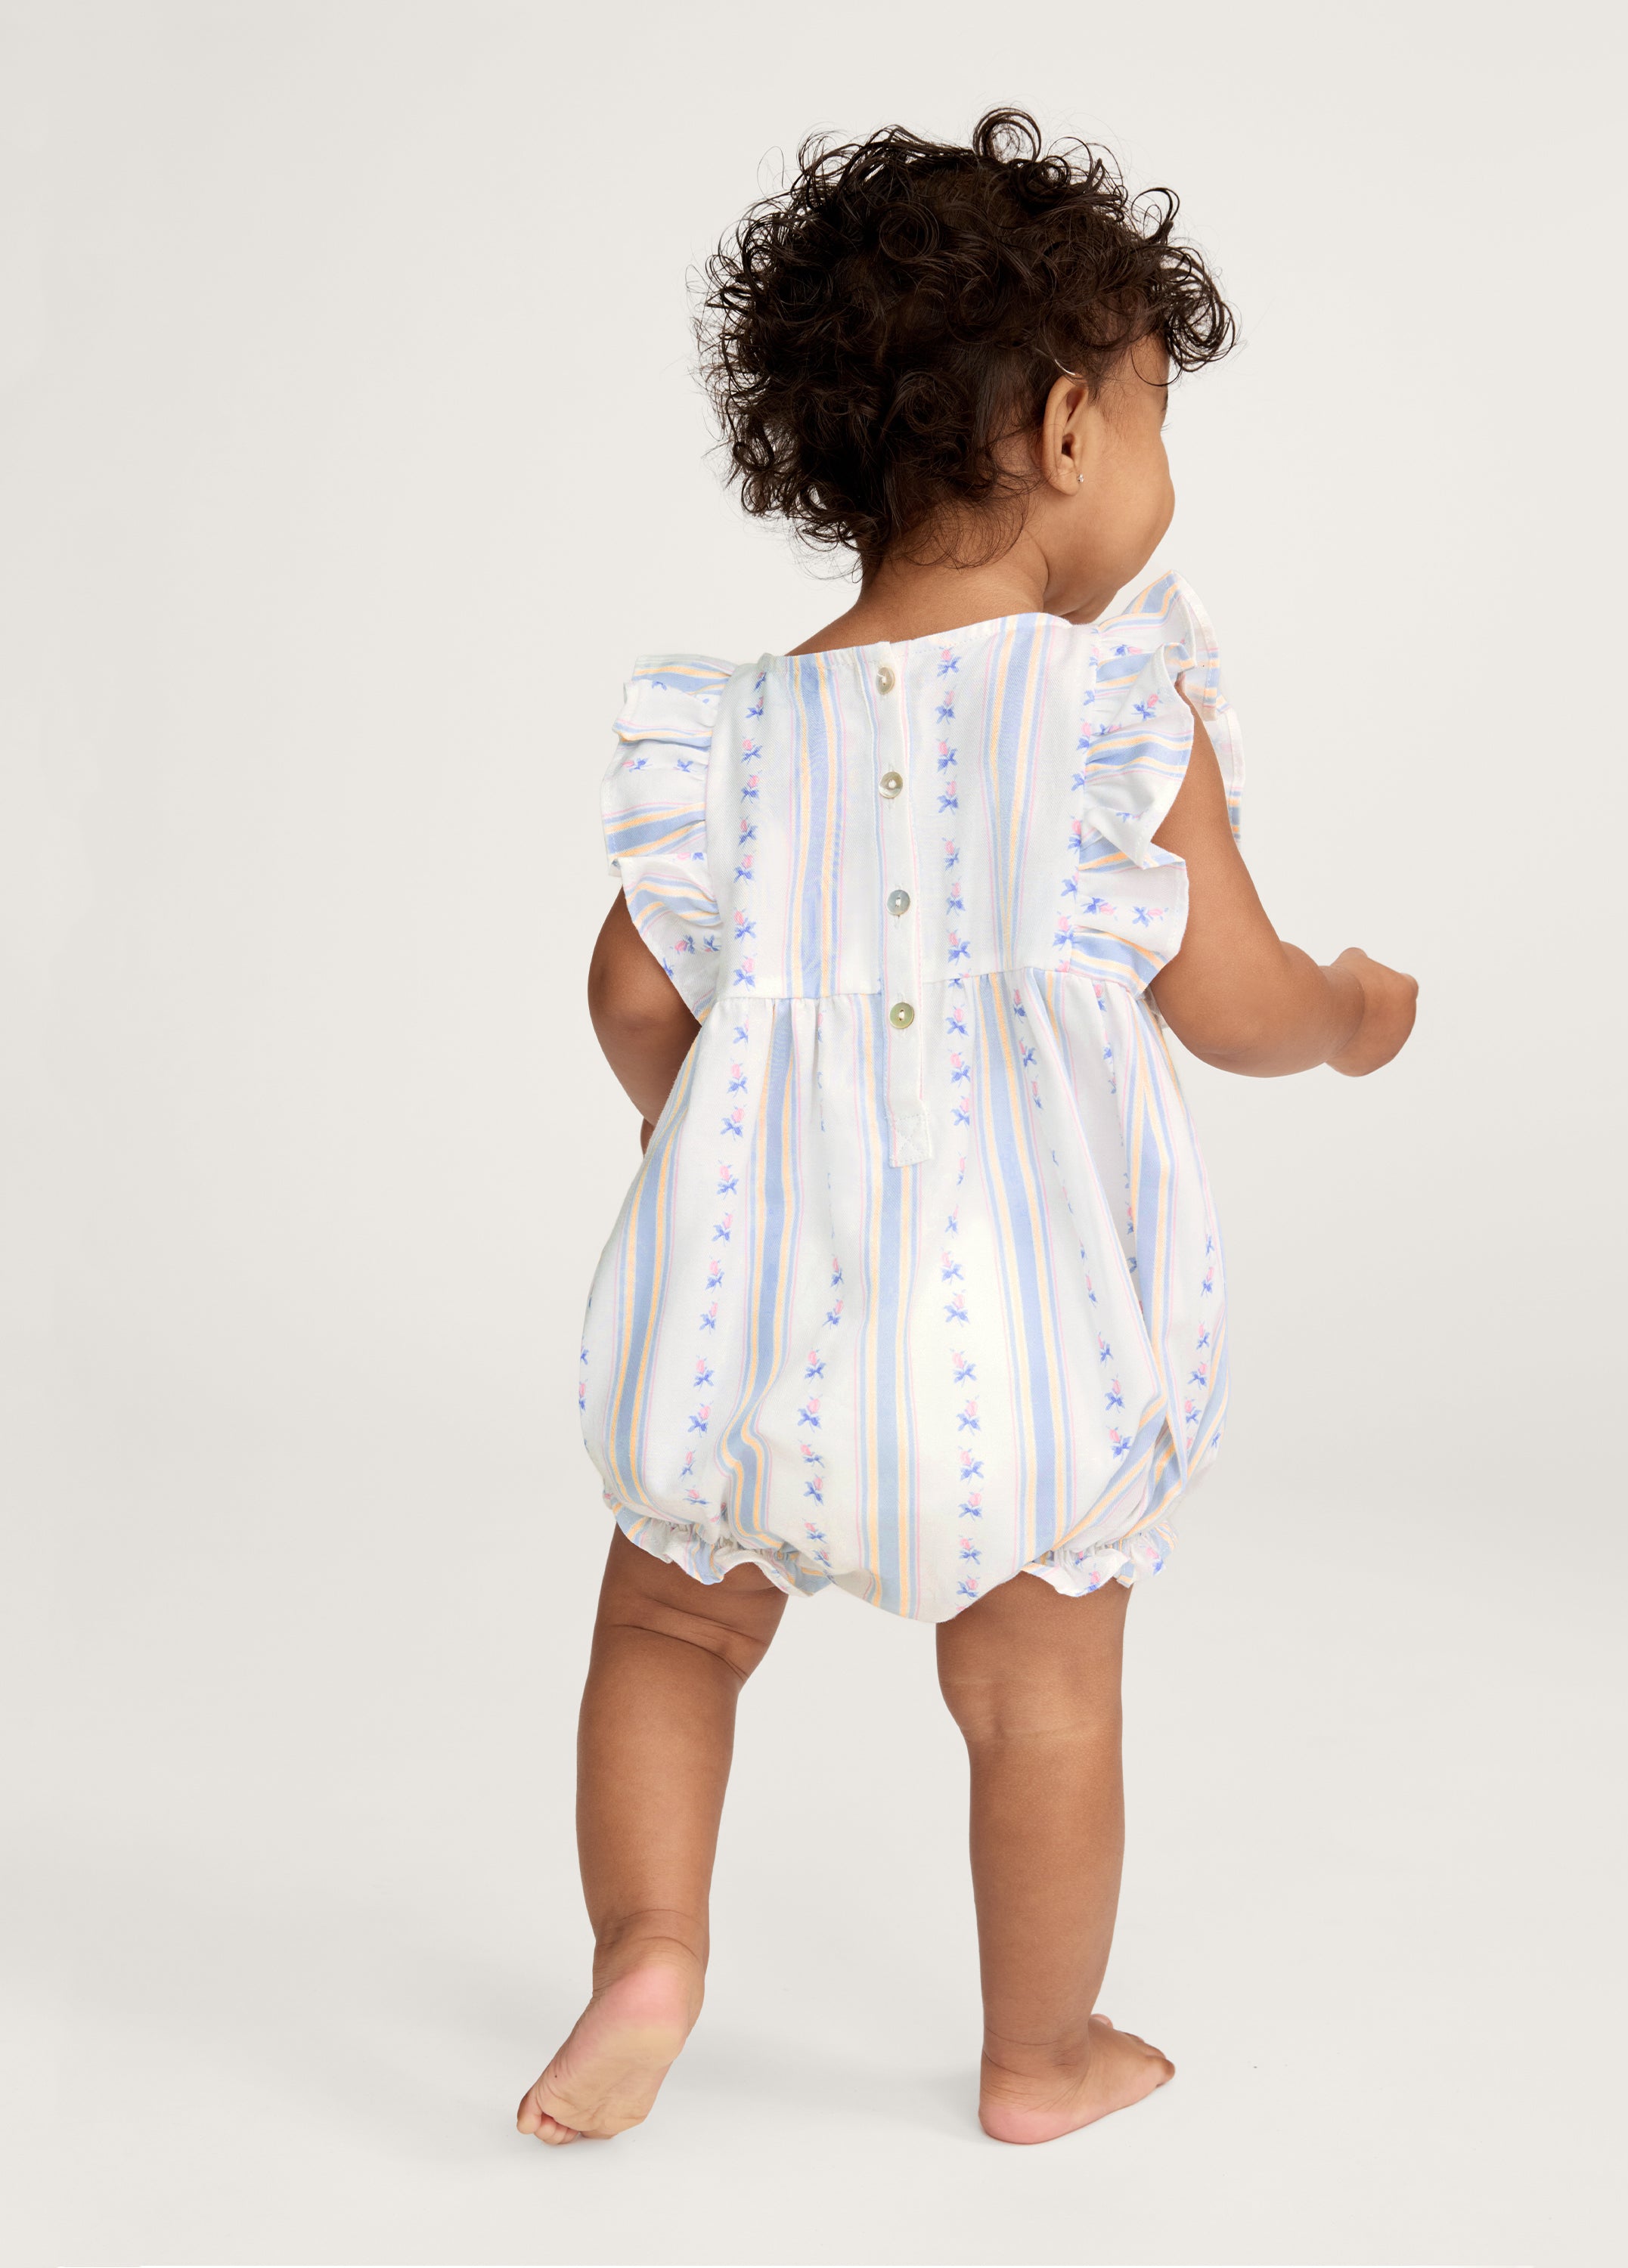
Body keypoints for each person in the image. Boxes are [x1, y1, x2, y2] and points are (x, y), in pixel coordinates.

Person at [518, 110, 1417, 2149]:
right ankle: (1042, 2057)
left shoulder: (739, 738)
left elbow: (629, 997)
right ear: (1076, 432)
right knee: (1039, 1701)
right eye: (1165, 416)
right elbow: (1237, 998)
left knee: (670, 1623)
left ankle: (648, 1953)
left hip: (745, 1320)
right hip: (1015, 1345)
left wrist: (718, 1137)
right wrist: (1356, 1013)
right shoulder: (1111, 713)